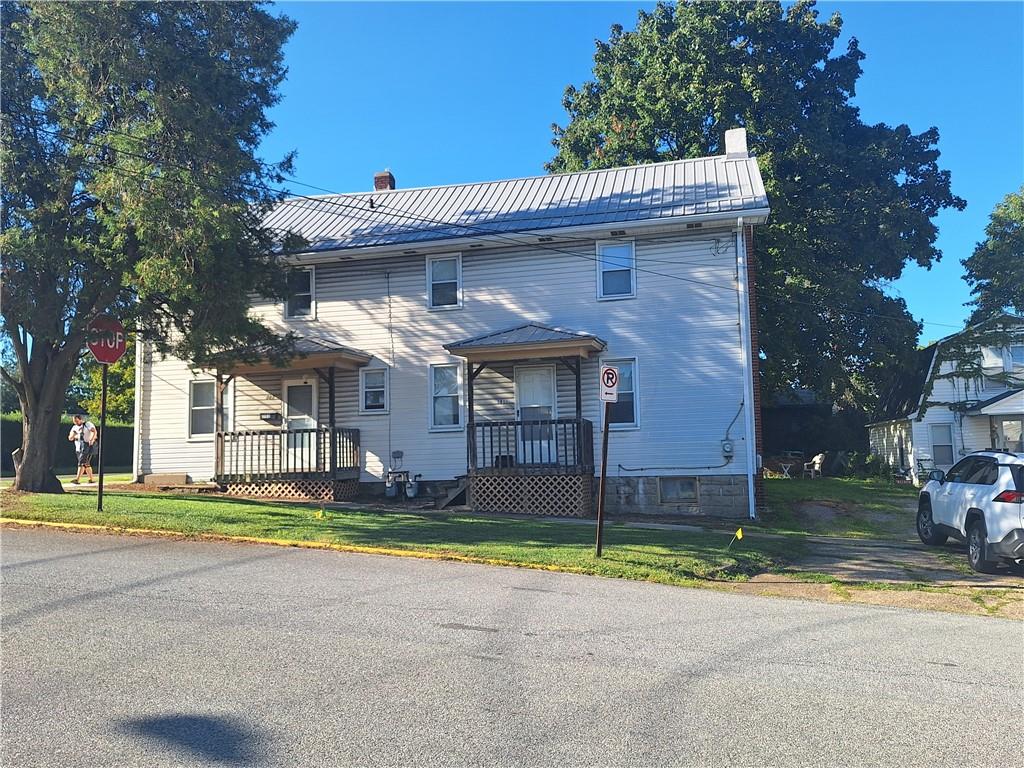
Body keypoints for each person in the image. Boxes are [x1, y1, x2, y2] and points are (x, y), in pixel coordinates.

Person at [68, 414, 98, 484]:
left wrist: (91, 439)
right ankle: (91, 479)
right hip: (78, 448)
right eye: (74, 421)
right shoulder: (74, 427)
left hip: (87, 447)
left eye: (77, 421)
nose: (76, 423)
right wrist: (74, 434)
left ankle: (77, 479)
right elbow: (70, 438)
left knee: (81, 463)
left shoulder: (88, 424)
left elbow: (94, 431)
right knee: (86, 464)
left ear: (81, 419)